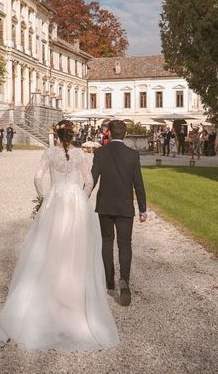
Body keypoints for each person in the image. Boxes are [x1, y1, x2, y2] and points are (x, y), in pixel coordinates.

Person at [0, 120, 119, 351]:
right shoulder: (81, 154)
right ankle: (73, 299)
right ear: (72, 134)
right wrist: (82, 198)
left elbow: (37, 178)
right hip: (75, 203)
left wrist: (43, 198)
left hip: (55, 201)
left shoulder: (49, 152)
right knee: (75, 251)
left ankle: (48, 297)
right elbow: (89, 181)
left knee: (47, 248)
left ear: (57, 134)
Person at [91, 120, 147, 307]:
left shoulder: (100, 153)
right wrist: (142, 209)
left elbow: (92, 179)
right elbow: (138, 183)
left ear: (108, 133)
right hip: (124, 206)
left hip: (105, 205)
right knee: (125, 244)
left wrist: (81, 198)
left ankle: (109, 281)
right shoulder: (132, 155)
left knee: (107, 241)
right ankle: (124, 280)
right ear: (125, 133)